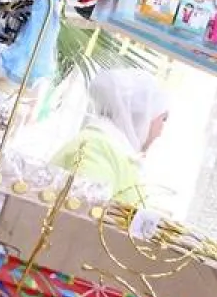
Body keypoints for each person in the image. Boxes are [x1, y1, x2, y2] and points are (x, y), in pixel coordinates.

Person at [50, 67, 170, 203]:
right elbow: (80, 211)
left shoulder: (113, 150)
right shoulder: (97, 148)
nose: (160, 132)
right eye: (163, 119)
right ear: (143, 117)